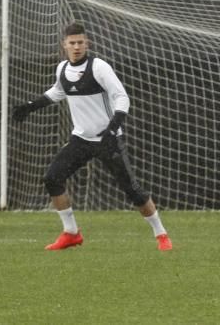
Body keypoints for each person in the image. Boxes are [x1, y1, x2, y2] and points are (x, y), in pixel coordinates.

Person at [12, 22, 172, 252]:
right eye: (72, 43)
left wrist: (112, 128)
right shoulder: (62, 69)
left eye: (80, 42)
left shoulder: (99, 67)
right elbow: (58, 91)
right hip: (81, 140)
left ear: (87, 43)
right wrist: (30, 106)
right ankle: (71, 233)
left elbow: (122, 98)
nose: (76, 47)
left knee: (132, 190)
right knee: (52, 178)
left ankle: (161, 234)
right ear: (64, 45)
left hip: (107, 139)